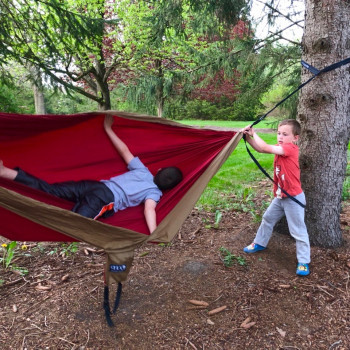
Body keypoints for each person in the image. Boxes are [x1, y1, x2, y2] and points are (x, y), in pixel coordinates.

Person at [0, 115, 183, 234]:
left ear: (158, 171)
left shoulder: (143, 171)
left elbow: (125, 151)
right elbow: (149, 209)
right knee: (78, 224)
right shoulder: (155, 194)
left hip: (95, 185)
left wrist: (108, 129)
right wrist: (154, 232)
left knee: (49, 190)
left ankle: (6, 172)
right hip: (103, 199)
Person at [241, 119, 310, 276]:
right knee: (267, 218)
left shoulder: (290, 148)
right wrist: (247, 138)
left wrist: (254, 132)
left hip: (293, 198)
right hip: (281, 196)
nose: (280, 137)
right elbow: (261, 150)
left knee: (298, 230)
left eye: (285, 134)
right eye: (279, 133)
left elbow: (264, 146)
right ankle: (259, 243)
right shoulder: (280, 148)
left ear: (295, 138)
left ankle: (304, 261)